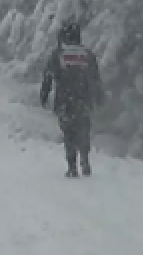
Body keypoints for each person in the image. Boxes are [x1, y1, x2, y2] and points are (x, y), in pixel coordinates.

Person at [41, 22, 105, 177]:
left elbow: (48, 77)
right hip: (84, 99)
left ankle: (72, 166)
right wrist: (99, 97)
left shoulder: (58, 55)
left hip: (64, 100)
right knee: (83, 129)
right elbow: (95, 78)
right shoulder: (88, 55)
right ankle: (85, 158)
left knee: (68, 132)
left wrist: (44, 94)